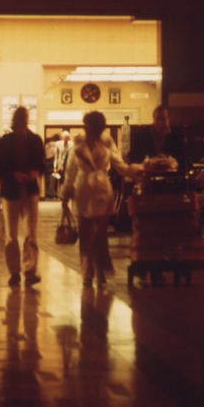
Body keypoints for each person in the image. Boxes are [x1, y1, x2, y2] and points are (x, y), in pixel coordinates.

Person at [61, 111, 143, 287]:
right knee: (84, 235)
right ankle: (87, 273)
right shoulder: (78, 143)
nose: (85, 128)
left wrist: (134, 171)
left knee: (99, 234)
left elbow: (118, 164)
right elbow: (71, 170)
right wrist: (66, 193)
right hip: (82, 189)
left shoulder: (107, 142)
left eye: (88, 125)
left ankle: (100, 271)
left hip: (101, 190)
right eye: (85, 124)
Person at [0, 107, 46, 287]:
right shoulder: (6, 141)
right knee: (14, 234)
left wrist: (35, 171)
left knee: (24, 233)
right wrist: (14, 175)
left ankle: (27, 270)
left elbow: (42, 164)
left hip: (27, 190)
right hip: (12, 191)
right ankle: (17, 271)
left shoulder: (34, 140)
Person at [128, 105, 186, 171]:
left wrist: (170, 161)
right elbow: (133, 160)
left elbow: (183, 161)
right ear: (154, 120)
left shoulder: (176, 135)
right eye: (158, 119)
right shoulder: (142, 135)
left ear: (169, 119)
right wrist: (150, 162)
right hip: (147, 176)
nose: (160, 123)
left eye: (163, 119)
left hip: (172, 177)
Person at [43, 133, 60, 199]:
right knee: (53, 178)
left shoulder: (47, 144)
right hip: (51, 161)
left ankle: (48, 193)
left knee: (47, 178)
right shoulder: (54, 144)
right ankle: (53, 193)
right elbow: (54, 153)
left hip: (47, 161)